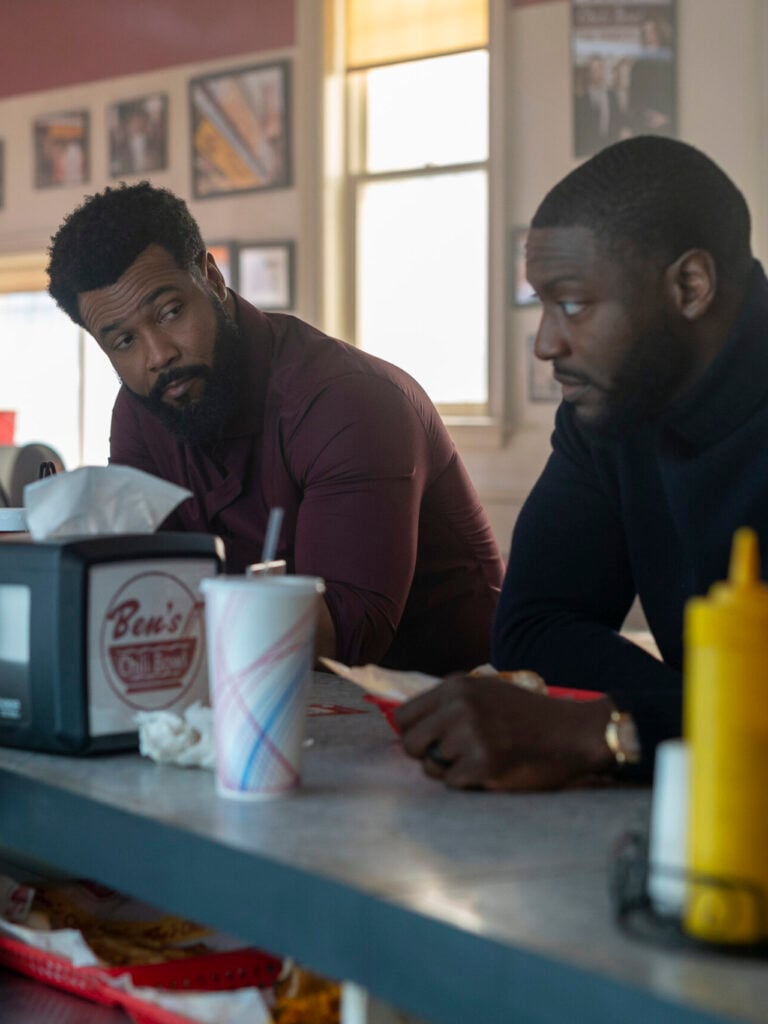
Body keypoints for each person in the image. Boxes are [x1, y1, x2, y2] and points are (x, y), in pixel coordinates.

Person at [395, 136, 761, 789]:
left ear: (690, 285)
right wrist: (687, 726)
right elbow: (535, 629)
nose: (545, 343)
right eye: (541, 304)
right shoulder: (616, 412)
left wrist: (606, 729)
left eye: (572, 303)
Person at [47, 182, 504, 676]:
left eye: (170, 312)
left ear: (211, 277)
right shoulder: (143, 409)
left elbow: (349, 634)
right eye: (123, 341)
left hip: (447, 699)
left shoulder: (347, 400)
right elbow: (140, 572)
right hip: (266, 687)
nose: (158, 355)